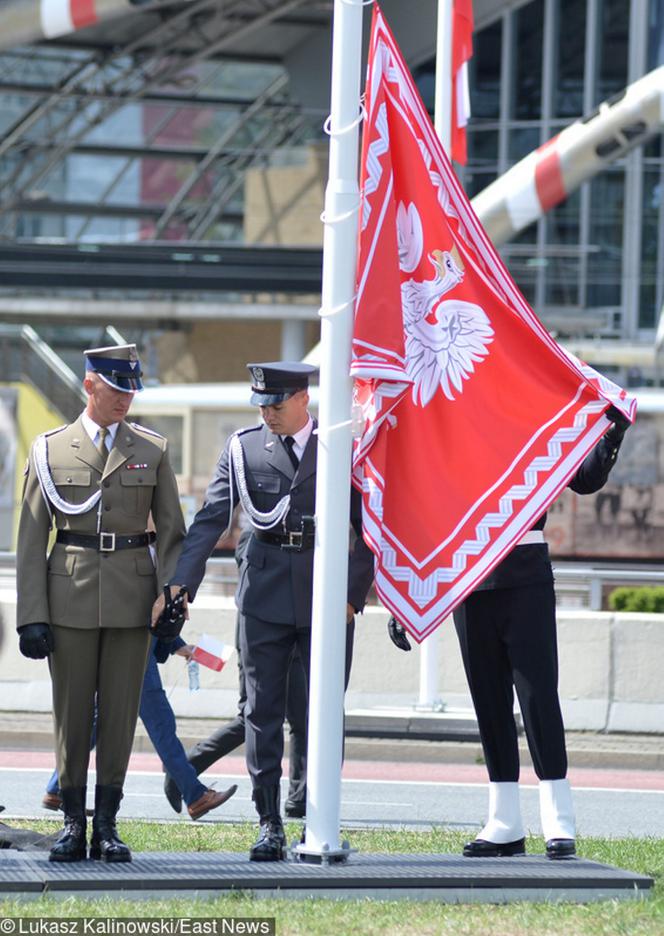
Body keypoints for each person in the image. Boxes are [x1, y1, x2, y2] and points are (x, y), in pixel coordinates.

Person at [152, 361, 374, 861]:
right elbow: (210, 520)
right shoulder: (244, 448)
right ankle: (269, 821)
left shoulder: (342, 446)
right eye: (262, 406)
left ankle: (320, 820)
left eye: (276, 405)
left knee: (322, 714)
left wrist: (352, 595)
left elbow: (372, 527)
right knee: (261, 712)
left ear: (303, 400)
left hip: (325, 593)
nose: (267, 414)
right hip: (264, 592)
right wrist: (181, 585)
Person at [389, 407, 631, 860]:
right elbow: (429, 513)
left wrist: (612, 430)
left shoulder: (533, 422)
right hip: (469, 578)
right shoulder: (450, 436)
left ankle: (559, 820)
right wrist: (408, 596)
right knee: (489, 702)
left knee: (538, 697)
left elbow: (584, 477)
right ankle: (505, 822)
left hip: (524, 575)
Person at [17, 344, 185, 864]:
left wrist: (171, 593)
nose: (125, 400)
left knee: (118, 716)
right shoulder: (50, 450)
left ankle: (107, 825)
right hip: (69, 596)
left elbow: (173, 533)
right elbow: (30, 538)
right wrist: (31, 616)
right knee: (70, 716)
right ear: (90, 385)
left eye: (131, 390)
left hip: (133, 601)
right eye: (116, 389)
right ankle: (72, 823)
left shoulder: (151, 449)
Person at [163, 524, 308, 820]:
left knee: (297, 716)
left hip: (281, 630)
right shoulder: (257, 534)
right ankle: (185, 769)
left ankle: (299, 797)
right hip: (265, 635)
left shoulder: (259, 536)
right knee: (258, 717)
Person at [43, 636, 238, 821]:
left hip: (129, 647)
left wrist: (176, 644)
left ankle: (57, 788)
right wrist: (174, 642)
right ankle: (196, 796)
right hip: (135, 650)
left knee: (97, 724)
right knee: (161, 724)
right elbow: (146, 606)